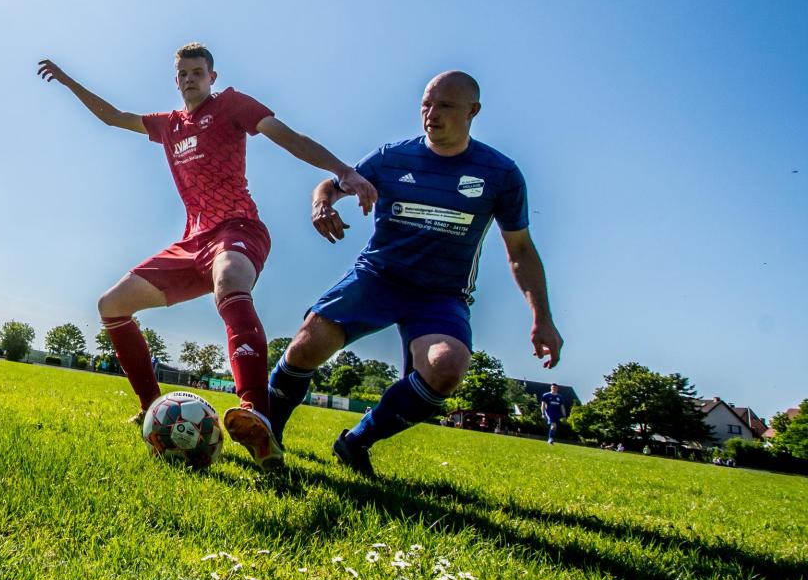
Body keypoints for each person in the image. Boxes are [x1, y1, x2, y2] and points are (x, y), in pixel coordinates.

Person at [38, 45, 376, 472]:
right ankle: (150, 409)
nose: (191, 79)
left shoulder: (232, 105)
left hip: (238, 229)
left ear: (212, 77)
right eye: (183, 73)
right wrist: (69, 81)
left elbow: (288, 136)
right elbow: (113, 116)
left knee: (231, 278)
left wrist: (342, 170)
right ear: (175, 80)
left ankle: (257, 416)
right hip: (191, 244)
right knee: (111, 305)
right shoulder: (168, 125)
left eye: (199, 72)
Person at [266, 71, 563, 478]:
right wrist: (322, 204)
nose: (431, 113)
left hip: (440, 295)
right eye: (426, 103)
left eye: (445, 105)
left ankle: (356, 442)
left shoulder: (501, 174)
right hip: (377, 278)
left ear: (472, 111)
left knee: (447, 367)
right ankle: (268, 435)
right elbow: (332, 185)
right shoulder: (392, 158)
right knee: (306, 345)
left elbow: (521, 251)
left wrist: (542, 318)